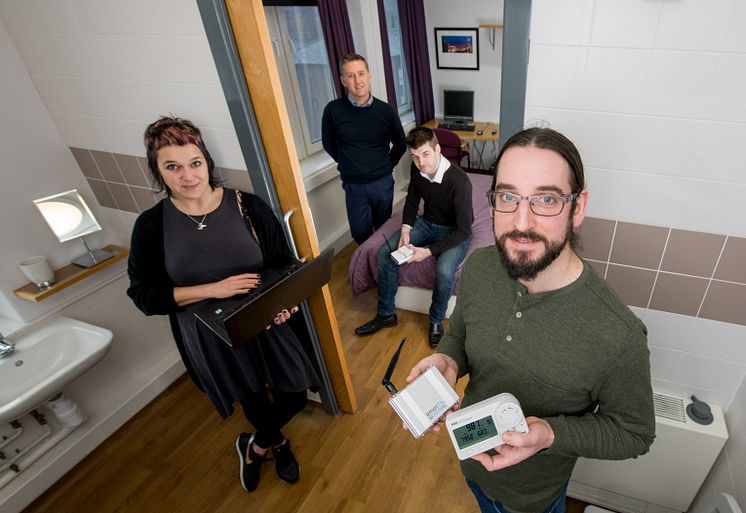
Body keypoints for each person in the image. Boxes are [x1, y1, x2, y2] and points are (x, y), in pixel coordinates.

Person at [406, 127, 655, 513]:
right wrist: (449, 360)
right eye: (507, 196)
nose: (521, 222)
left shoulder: (618, 335)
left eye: (546, 199)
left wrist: (550, 433)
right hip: (472, 466)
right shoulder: (481, 266)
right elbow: (463, 333)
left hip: (532, 498)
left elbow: (635, 433)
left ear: (578, 207)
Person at [127, 117, 320, 493]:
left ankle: (256, 445)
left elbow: (282, 264)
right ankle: (278, 444)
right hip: (210, 334)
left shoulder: (246, 206)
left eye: (194, 163)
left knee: (293, 395)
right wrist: (213, 289)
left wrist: (285, 304)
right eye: (173, 167)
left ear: (207, 161)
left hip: (264, 321)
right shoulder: (151, 226)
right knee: (251, 398)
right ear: (157, 171)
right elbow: (144, 296)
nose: (187, 176)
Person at [354, 126, 473, 347]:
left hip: (455, 230)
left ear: (438, 149)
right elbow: (411, 199)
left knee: (445, 271)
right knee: (384, 253)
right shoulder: (417, 169)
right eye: (415, 157)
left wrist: (428, 252)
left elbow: (464, 230)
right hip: (426, 223)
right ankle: (386, 314)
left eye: (426, 154)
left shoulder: (459, 181)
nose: (421, 162)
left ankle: (436, 321)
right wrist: (407, 228)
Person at [321, 53, 407, 245]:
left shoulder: (386, 111)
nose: (357, 80)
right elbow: (328, 144)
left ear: (369, 76)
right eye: (351, 76)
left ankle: (380, 267)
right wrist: (349, 163)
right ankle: (368, 261)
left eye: (361, 74)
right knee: (359, 233)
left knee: (383, 229)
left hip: (382, 182)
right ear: (343, 80)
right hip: (354, 185)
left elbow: (400, 144)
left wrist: (386, 165)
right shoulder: (333, 110)